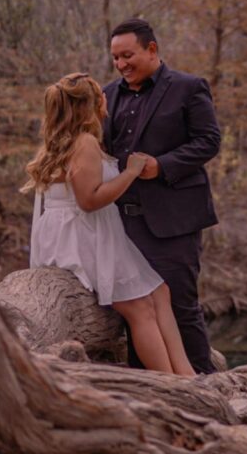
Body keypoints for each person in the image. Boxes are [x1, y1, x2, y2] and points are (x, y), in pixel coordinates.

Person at [23, 72, 194, 377]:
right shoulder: (85, 143)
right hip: (81, 236)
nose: (107, 98)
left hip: (86, 230)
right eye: (101, 94)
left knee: (160, 291)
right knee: (139, 308)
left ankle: (187, 375)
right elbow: (89, 201)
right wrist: (131, 172)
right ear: (92, 104)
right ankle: (171, 384)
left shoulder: (67, 140)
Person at [103, 18, 220, 374]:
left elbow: (209, 141)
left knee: (181, 306)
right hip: (119, 223)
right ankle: (152, 389)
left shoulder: (188, 87)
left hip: (173, 221)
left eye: (128, 56)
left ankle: (207, 387)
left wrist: (162, 166)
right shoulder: (106, 95)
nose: (121, 64)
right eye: (115, 58)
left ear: (151, 49)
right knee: (138, 309)